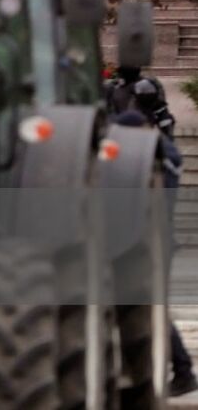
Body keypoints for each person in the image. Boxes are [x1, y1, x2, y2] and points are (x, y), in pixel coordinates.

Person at [114, 105, 196, 396]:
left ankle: (183, 370)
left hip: (151, 240)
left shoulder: (163, 153)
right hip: (138, 239)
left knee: (150, 306)